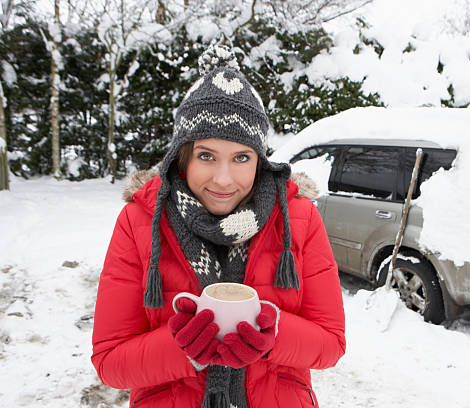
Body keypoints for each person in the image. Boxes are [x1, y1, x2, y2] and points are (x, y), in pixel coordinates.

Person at [91, 44, 346, 408]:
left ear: (259, 161)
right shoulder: (140, 222)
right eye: (206, 156)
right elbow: (110, 362)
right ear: (183, 156)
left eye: (241, 157)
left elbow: (331, 344)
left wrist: (272, 336)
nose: (224, 180)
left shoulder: (300, 218)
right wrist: (181, 347)